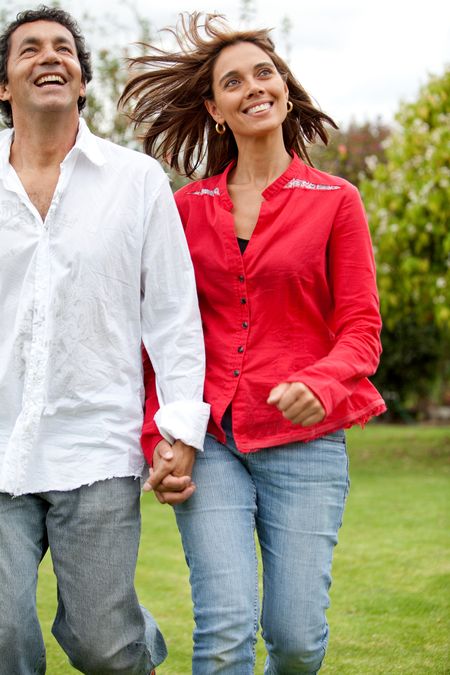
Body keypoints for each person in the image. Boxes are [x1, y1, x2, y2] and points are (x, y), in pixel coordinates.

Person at [122, 12, 387, 675]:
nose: (253, 88)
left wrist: (321, 384)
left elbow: (361, 330)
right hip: (209, 440)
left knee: (295, 639)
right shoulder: (184, 209)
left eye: (264, 73)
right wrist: (160, 436)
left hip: (307, 444)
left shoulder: (337, 202)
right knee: (223, 629)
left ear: (286, 89)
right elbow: (158, 335)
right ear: (215, 109)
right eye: (232, 82)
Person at [0, 6, 210, 675]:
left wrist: (179, 426)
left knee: (102, 644)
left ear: (83, 81)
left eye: (63, 48)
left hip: (94, 443)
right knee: (2, 635)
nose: (49, 57)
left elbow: (173, 315)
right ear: (4, 85)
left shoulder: (135, 179)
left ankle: (130, 640)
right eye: (28, 49)